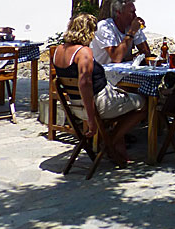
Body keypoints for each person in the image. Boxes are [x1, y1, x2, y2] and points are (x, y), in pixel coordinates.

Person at [53, 13, 147, 165]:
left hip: (76, 105)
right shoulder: (83, 52)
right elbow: (84, 84)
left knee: (123, 101)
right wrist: (91, 119)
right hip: (97, 104)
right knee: (144, 103)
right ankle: (110, 140)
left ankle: (117, 151)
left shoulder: (59, 50)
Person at [90, 0, 152, 66]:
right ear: (118, 13)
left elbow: (146, 52)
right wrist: (132, 32)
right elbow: (116, 58)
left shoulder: (132, 26)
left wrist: (126, 59)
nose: (135, 16)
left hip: (124, 72)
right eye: (132, 12)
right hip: (103, 72)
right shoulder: (104, 27)